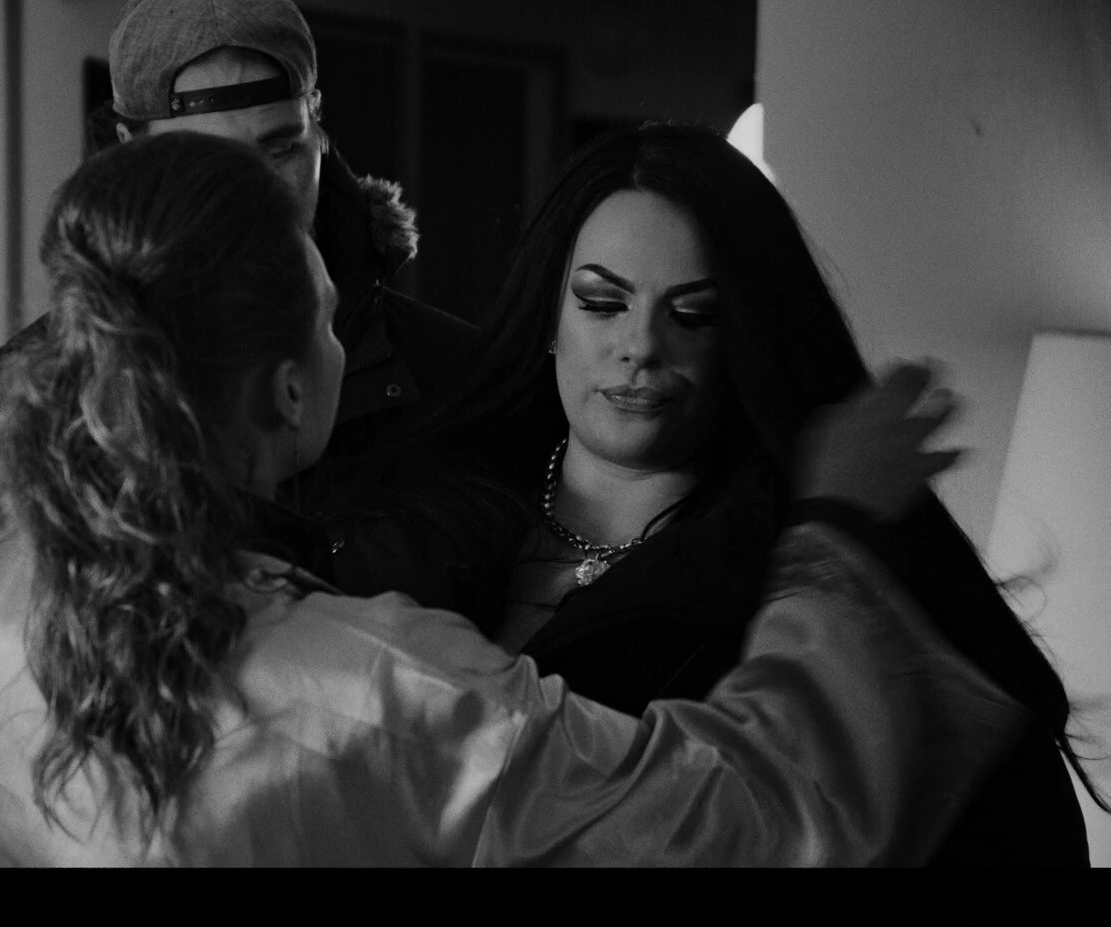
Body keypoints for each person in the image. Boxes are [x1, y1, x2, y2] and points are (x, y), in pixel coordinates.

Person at [0, 131, 1019, 866]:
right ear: (291, 388)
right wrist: (835, 537)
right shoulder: (381, 690)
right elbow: (756, 819)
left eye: (693, 313)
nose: (640, 348)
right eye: (331, 316)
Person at [0, 0, 512, 865]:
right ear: (128, 153)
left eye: (281, 148)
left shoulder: (455, 372)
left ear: (320, 127)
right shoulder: (25, 398)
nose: (258, 197)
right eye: (208, 164)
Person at [455, 121, 1100, 865]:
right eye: (602, 303)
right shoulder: (429, 517)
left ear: (746, 337)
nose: (641, 346)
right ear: (549, 317)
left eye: (693, 314)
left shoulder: (805, 567)